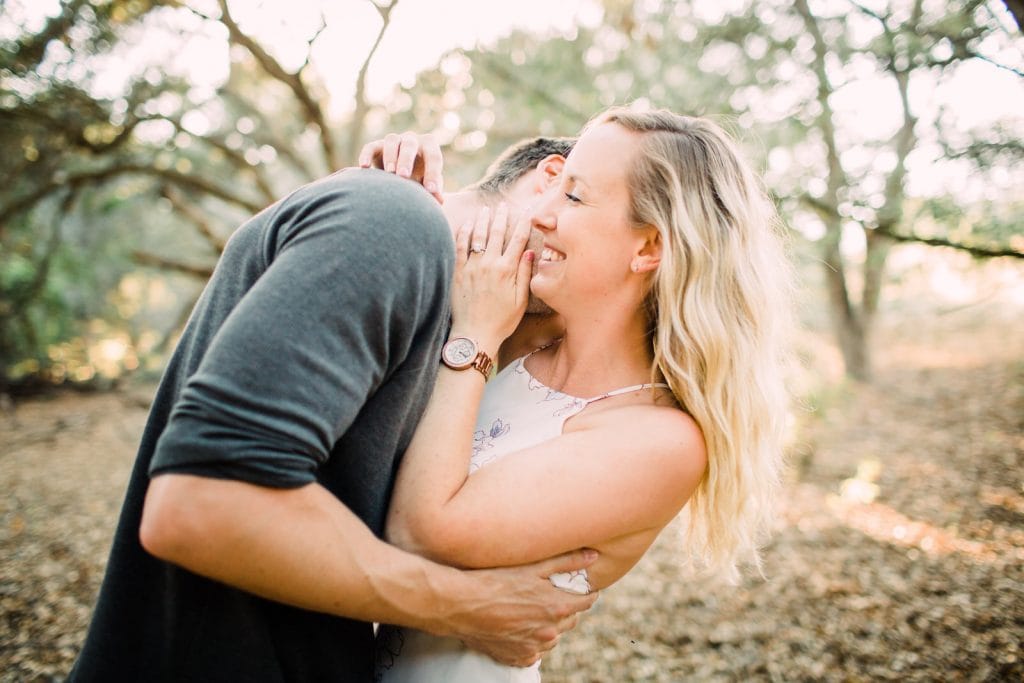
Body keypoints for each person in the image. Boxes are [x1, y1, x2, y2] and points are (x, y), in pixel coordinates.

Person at [69, 136, 595, 682]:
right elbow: (198, 505)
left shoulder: (459, 311)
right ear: (554, 177)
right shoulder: (393, 224)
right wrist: (468, 606)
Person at [371, 106, 794, 681]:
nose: (540, 213)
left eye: (573, 197)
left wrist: (476, 336)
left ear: (648, 247)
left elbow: (420, 531)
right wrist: (397, 193)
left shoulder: (660, 440)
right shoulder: (522, 335)